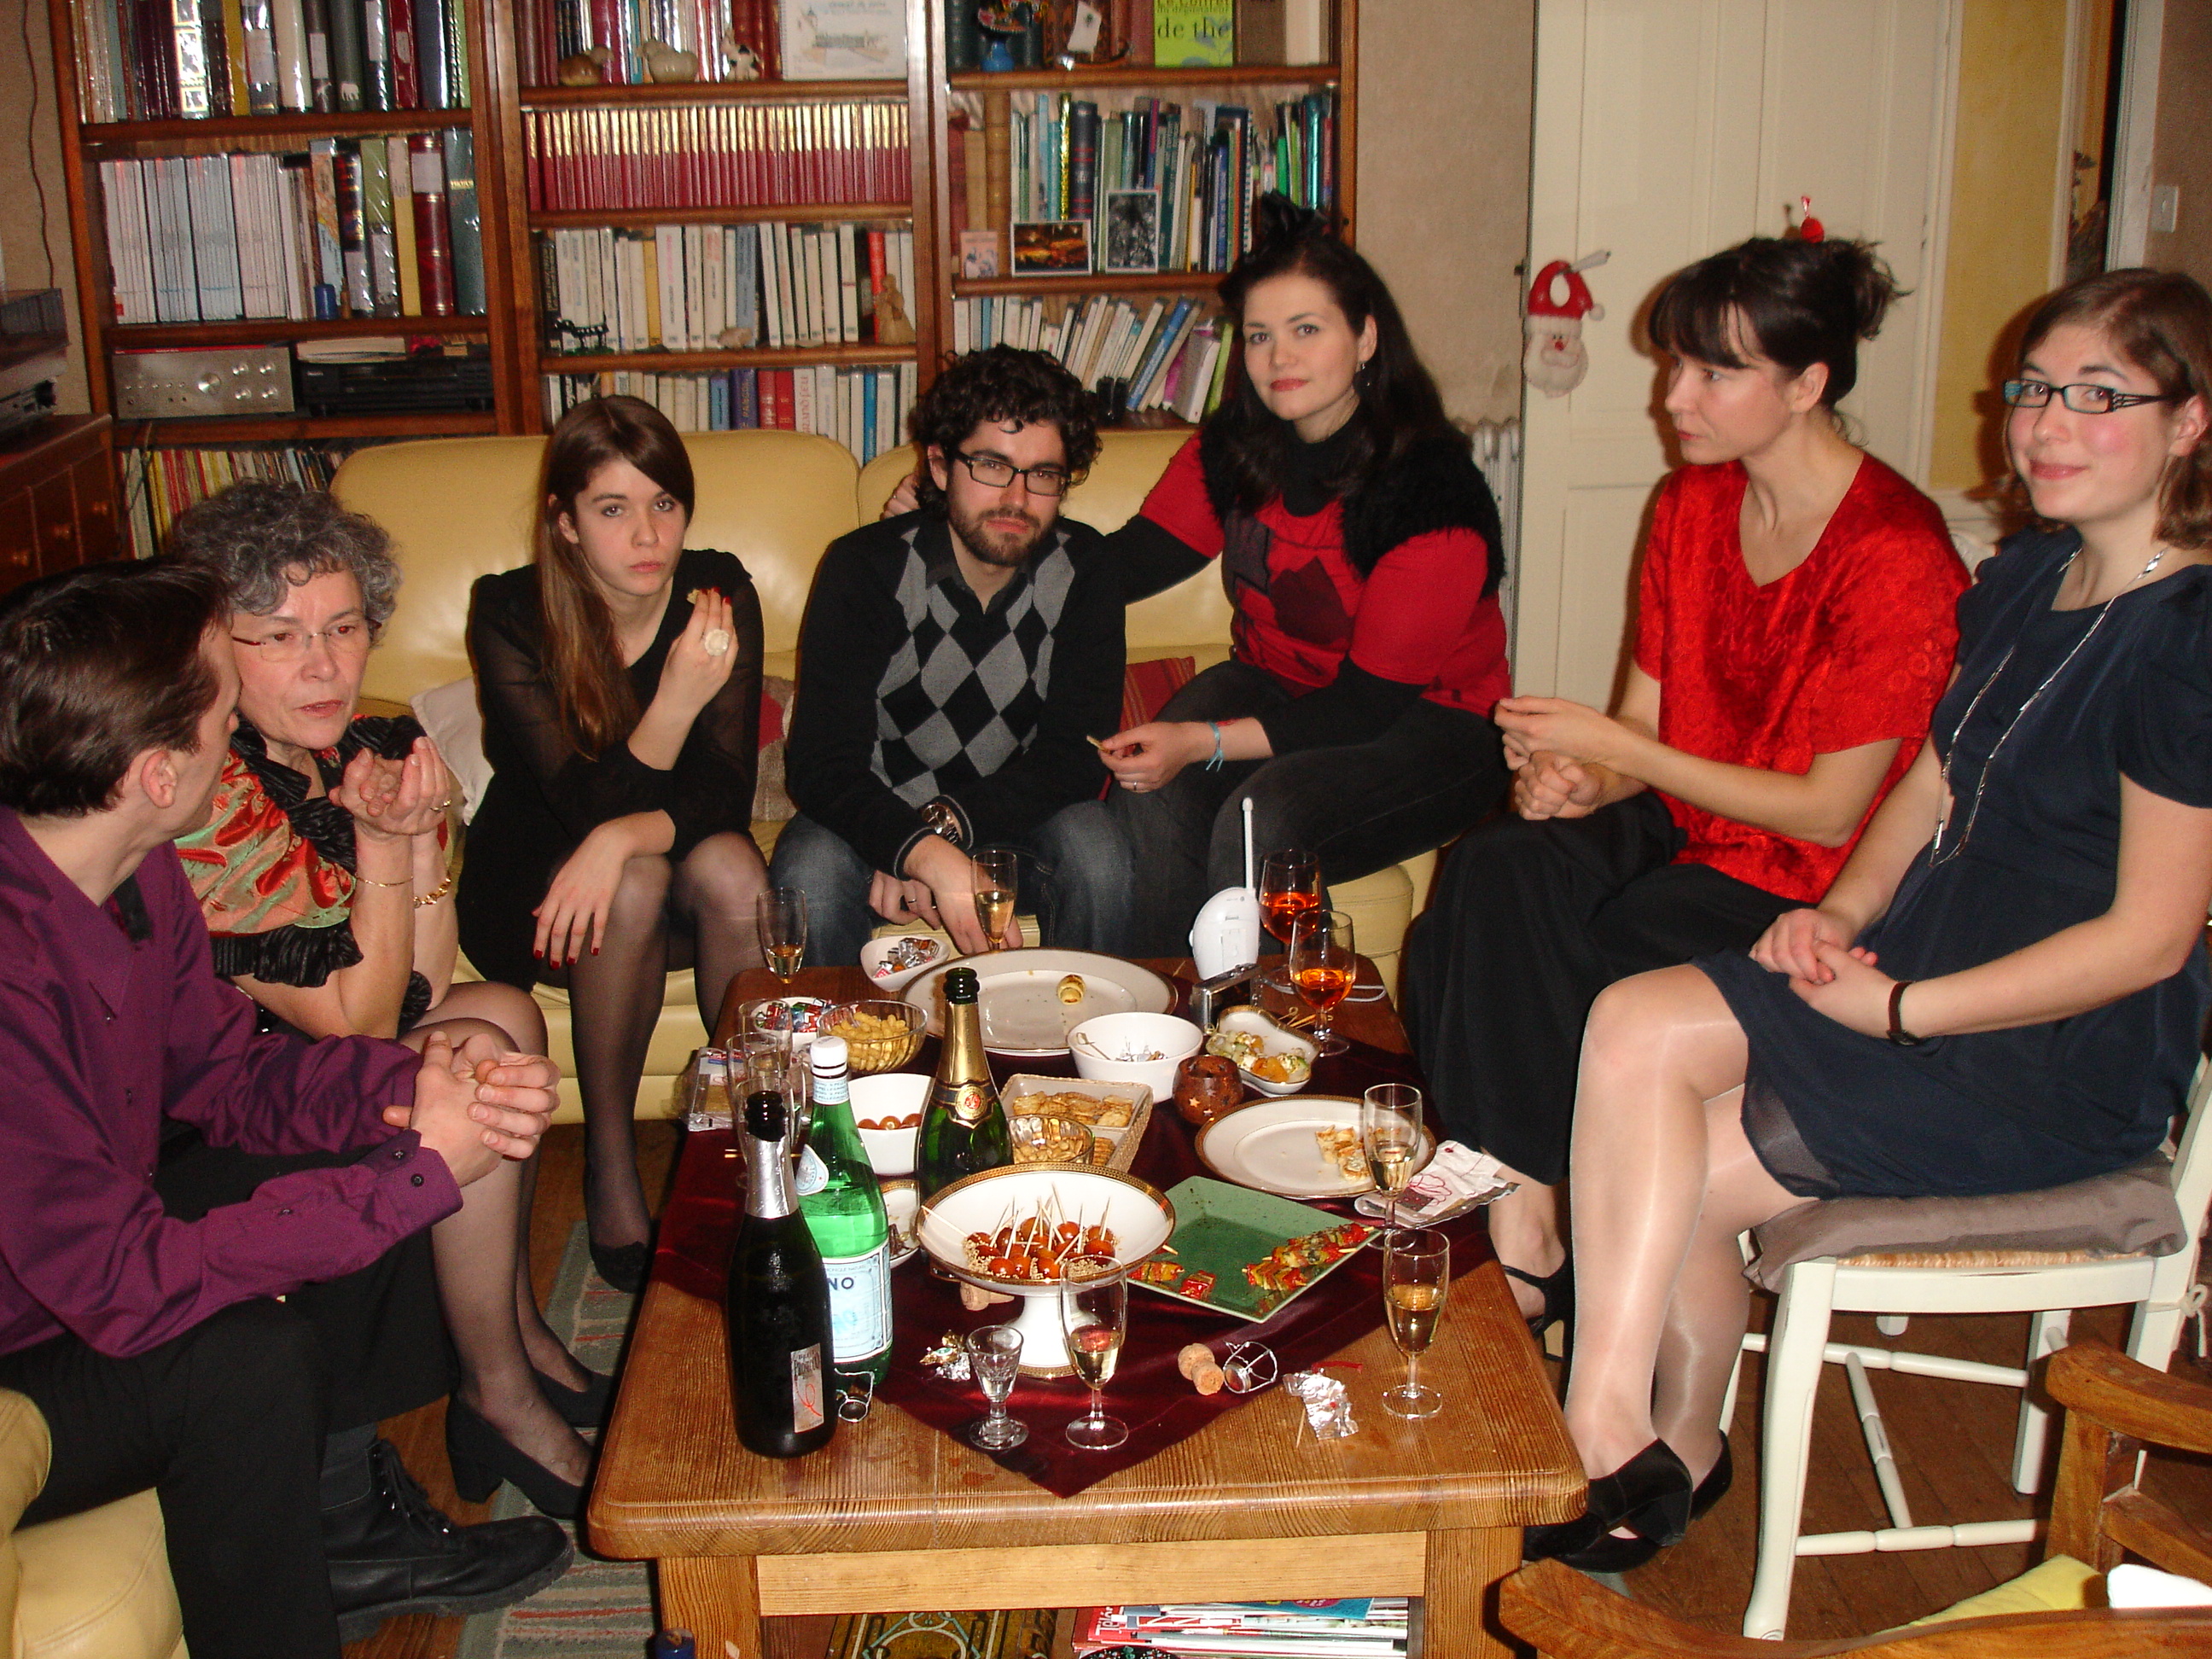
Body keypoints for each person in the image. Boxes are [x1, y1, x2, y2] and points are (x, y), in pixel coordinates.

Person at [1528, 267, 2212, 1574]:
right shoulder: (2028, 576)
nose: (2047, 425)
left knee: (1660, 1180)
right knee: (1632, 1031)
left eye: (2098, 396)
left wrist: (1902, 1009)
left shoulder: (2186, 641)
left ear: (2188, 422)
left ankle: (1651, 1435)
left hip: (2045, 1052)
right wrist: (1835, 911)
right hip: (1918, 962)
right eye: (2034, 391)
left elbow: (2152, 940)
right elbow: (1934, 780)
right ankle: (1628, 1425)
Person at [0, 560, 576, 1658]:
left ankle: (348, 1522)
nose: (240, 737)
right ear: (159, 773)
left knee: (384, 1136)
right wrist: (414, 1174)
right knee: (246, 1359)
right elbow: (119, 1285)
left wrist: (414, 1089)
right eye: (224, 713)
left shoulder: (136, 871)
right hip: (29, 1349)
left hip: (97, 1253)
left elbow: (225, 1079)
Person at [1400, 236, 1967, 1336]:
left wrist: (1627, 757)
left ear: (1806, 385)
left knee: (1605, 947)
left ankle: (1551, 1234)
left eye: (1714, 372)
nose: (1674, 397)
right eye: (1676, 366)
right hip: (1687, 825)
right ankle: (1529, 1216)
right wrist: (1581, 778)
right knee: (1491, 872)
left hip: (1815, 880)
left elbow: (1831, 811)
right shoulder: (1692, 507)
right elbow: (1644, 734)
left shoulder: (1896, 553)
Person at [166, 482, 602, 1517]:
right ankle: (496, 1390)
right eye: (280, 637)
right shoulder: (211, 792)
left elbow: (426, 984)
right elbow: (356, 1026)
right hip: (217, 1110)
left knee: (502, 1012)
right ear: (217, 650)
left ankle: (510, 1334)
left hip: (321, 1054)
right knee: (482, 1054)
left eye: (344, 627)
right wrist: (384, 842)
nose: (323, 664)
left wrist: (418, 844)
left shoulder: (357, 743)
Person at [1094, 195, 1513, 958]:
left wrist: (1200, 738)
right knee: (1153, 789)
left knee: (1265, 819)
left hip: (1431, 725)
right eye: (1259, 336)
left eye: (1306, 330)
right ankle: (1162, 1006)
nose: (1278, 358)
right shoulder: (1237, 446)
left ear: (1366, 338)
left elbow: (1364, 706)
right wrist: (971, 525)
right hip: (1278, 684)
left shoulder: (1429, 492)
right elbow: (1130, 561)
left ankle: (1273, 1024)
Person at [459, 394, 769, 1294]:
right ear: (564, 523)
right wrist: (674, 699)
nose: (647, 535)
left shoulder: (719, 592)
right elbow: (576, 802)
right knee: (631, 881)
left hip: (662, 859)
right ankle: (610, 1160)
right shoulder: (509, 613)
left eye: (664, 504)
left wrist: (623, 836)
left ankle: (757, 1144)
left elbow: (725, 792)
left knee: (734, 867)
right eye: (612, 508)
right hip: (545, 888)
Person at [776, 344, 1132, 963]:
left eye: (1043, 474)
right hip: (873, 816)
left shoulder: (1086, 569)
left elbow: (1074, 756)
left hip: (1015, 819)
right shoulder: (867, 567)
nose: (1017, 498)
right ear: (940, 467)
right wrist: (912, 848)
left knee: (1098, 850)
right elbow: (822, 763)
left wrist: (939, 831)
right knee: (810, 868)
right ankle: (842, 1032)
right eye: (992, 466)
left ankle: (1093, 1023)